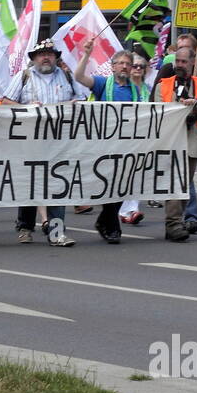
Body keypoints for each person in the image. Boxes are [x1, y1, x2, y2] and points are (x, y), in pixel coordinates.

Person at [74, 42, 148, 244]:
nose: (124, 67)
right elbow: (79, 77)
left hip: (127, 146)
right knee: (109, 186)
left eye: (127, 64)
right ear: (113, 66)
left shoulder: (137, 91)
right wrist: (86, 55)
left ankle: (104, 222)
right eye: (120, 63)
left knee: (122, 186)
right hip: (104, 145)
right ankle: (112, 227)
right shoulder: (102, 84)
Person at [11, 38, 82, 246]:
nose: (46, 57)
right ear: (34, 58)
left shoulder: (67, 76)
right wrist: (27, 108)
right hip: (31, 142)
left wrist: (75, 104)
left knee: (58, 186)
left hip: (60, 142)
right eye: (41, 54)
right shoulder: (24, 77)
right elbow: (6, 101)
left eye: (50, 54)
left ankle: (57, 232)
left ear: (55, 58)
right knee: (31, 185)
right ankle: (25, 227)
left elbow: (82, 100)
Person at [152, 48, 197, 241]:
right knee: (174, 184)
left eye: (183, 61)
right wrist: (178, 106)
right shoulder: (163, 86)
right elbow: (157, 113)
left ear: (192, 63)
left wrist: (195, 104)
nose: (179, 65)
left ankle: (174, 223)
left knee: (184, 185)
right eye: (177, 61)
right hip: (169, 142)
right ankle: (173, 224)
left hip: (191, 142)